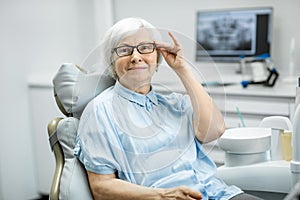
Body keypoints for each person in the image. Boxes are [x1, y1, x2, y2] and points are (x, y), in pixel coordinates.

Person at [74, 17, 262, 200]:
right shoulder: (100, 111)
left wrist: (182, 68)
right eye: (124, 50)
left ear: (157, 58)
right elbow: (102, 187)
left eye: (145, 48)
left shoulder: (174, 103)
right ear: (111, 62)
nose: (136, 57)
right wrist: (163, 195)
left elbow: (215, 131)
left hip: (219, 193)